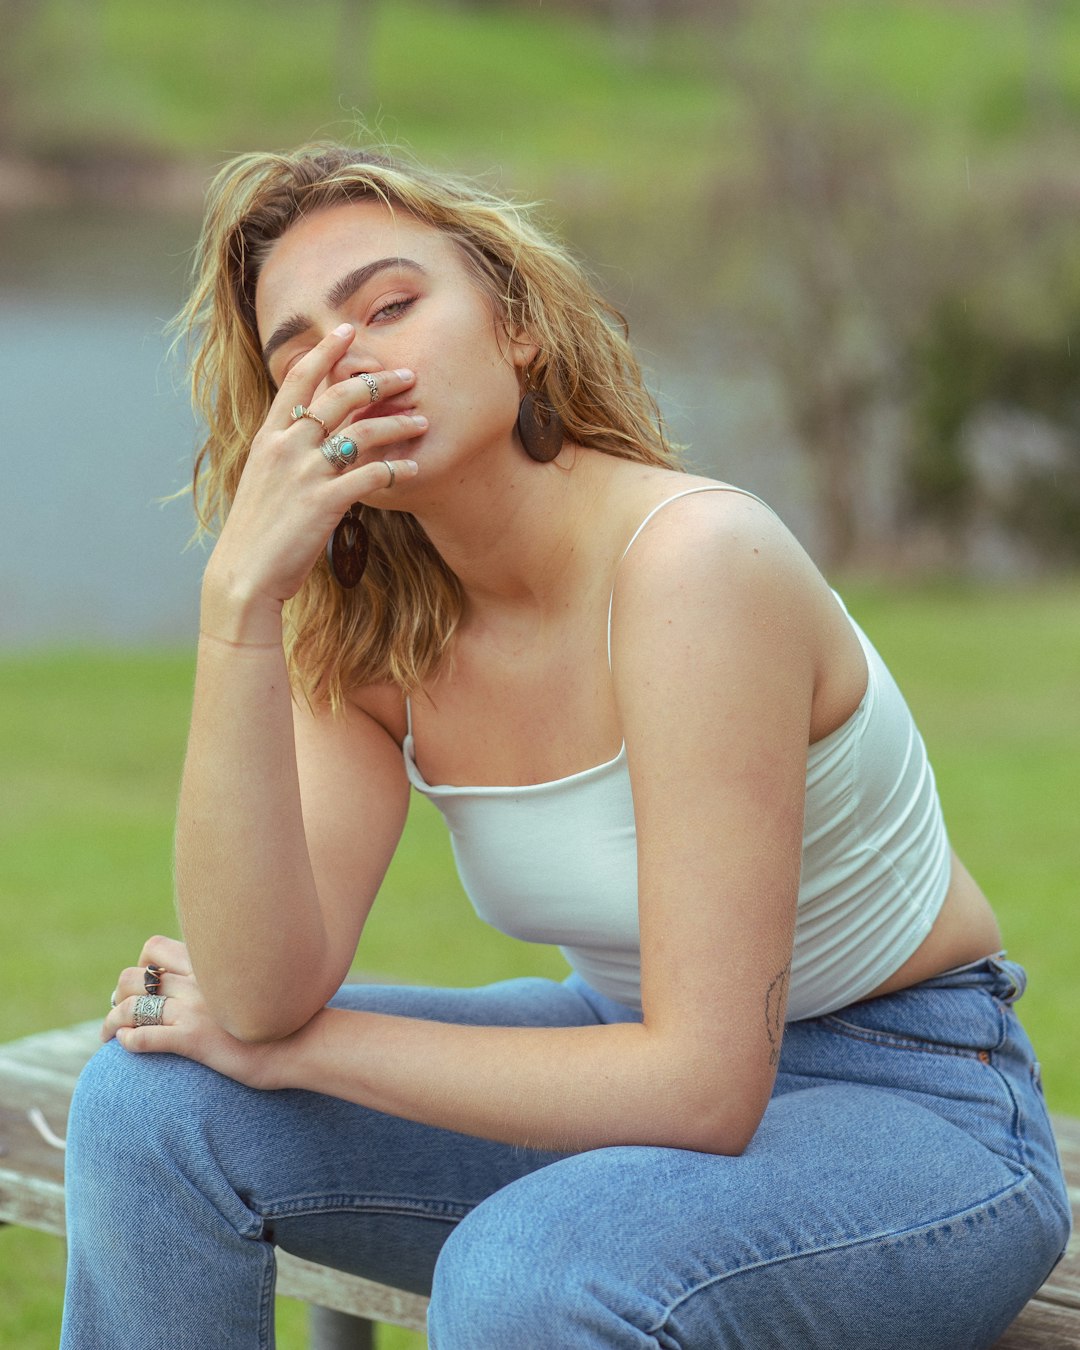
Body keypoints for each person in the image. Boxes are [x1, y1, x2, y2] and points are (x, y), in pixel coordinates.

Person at [61, 144, 1070, 1350]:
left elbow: (702, 1086)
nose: (351, 363)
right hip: (615, 1060)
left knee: (528, 1272)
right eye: (300, 357)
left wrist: (312, 1051)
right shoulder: (366, 629)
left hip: (912, 1107)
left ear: (518, 325)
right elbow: (260, 990)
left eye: (391, 305)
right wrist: (239, 609)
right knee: (152, 1101)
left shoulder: (696, 566)